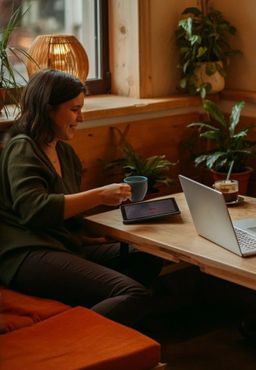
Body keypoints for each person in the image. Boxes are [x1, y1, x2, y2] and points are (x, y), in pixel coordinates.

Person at [0, 69, 163, 327]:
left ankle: (99, 315)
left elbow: (63, 216)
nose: (81, 118)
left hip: (59, 245)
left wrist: (87, 239)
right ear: (48, 109)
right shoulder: (22, 148)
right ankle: (68, 341)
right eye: (74, 110)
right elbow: (34, 210)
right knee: (133, 294)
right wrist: (99, 195)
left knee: (149, 254)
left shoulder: (64, 152)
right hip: (26, 254)